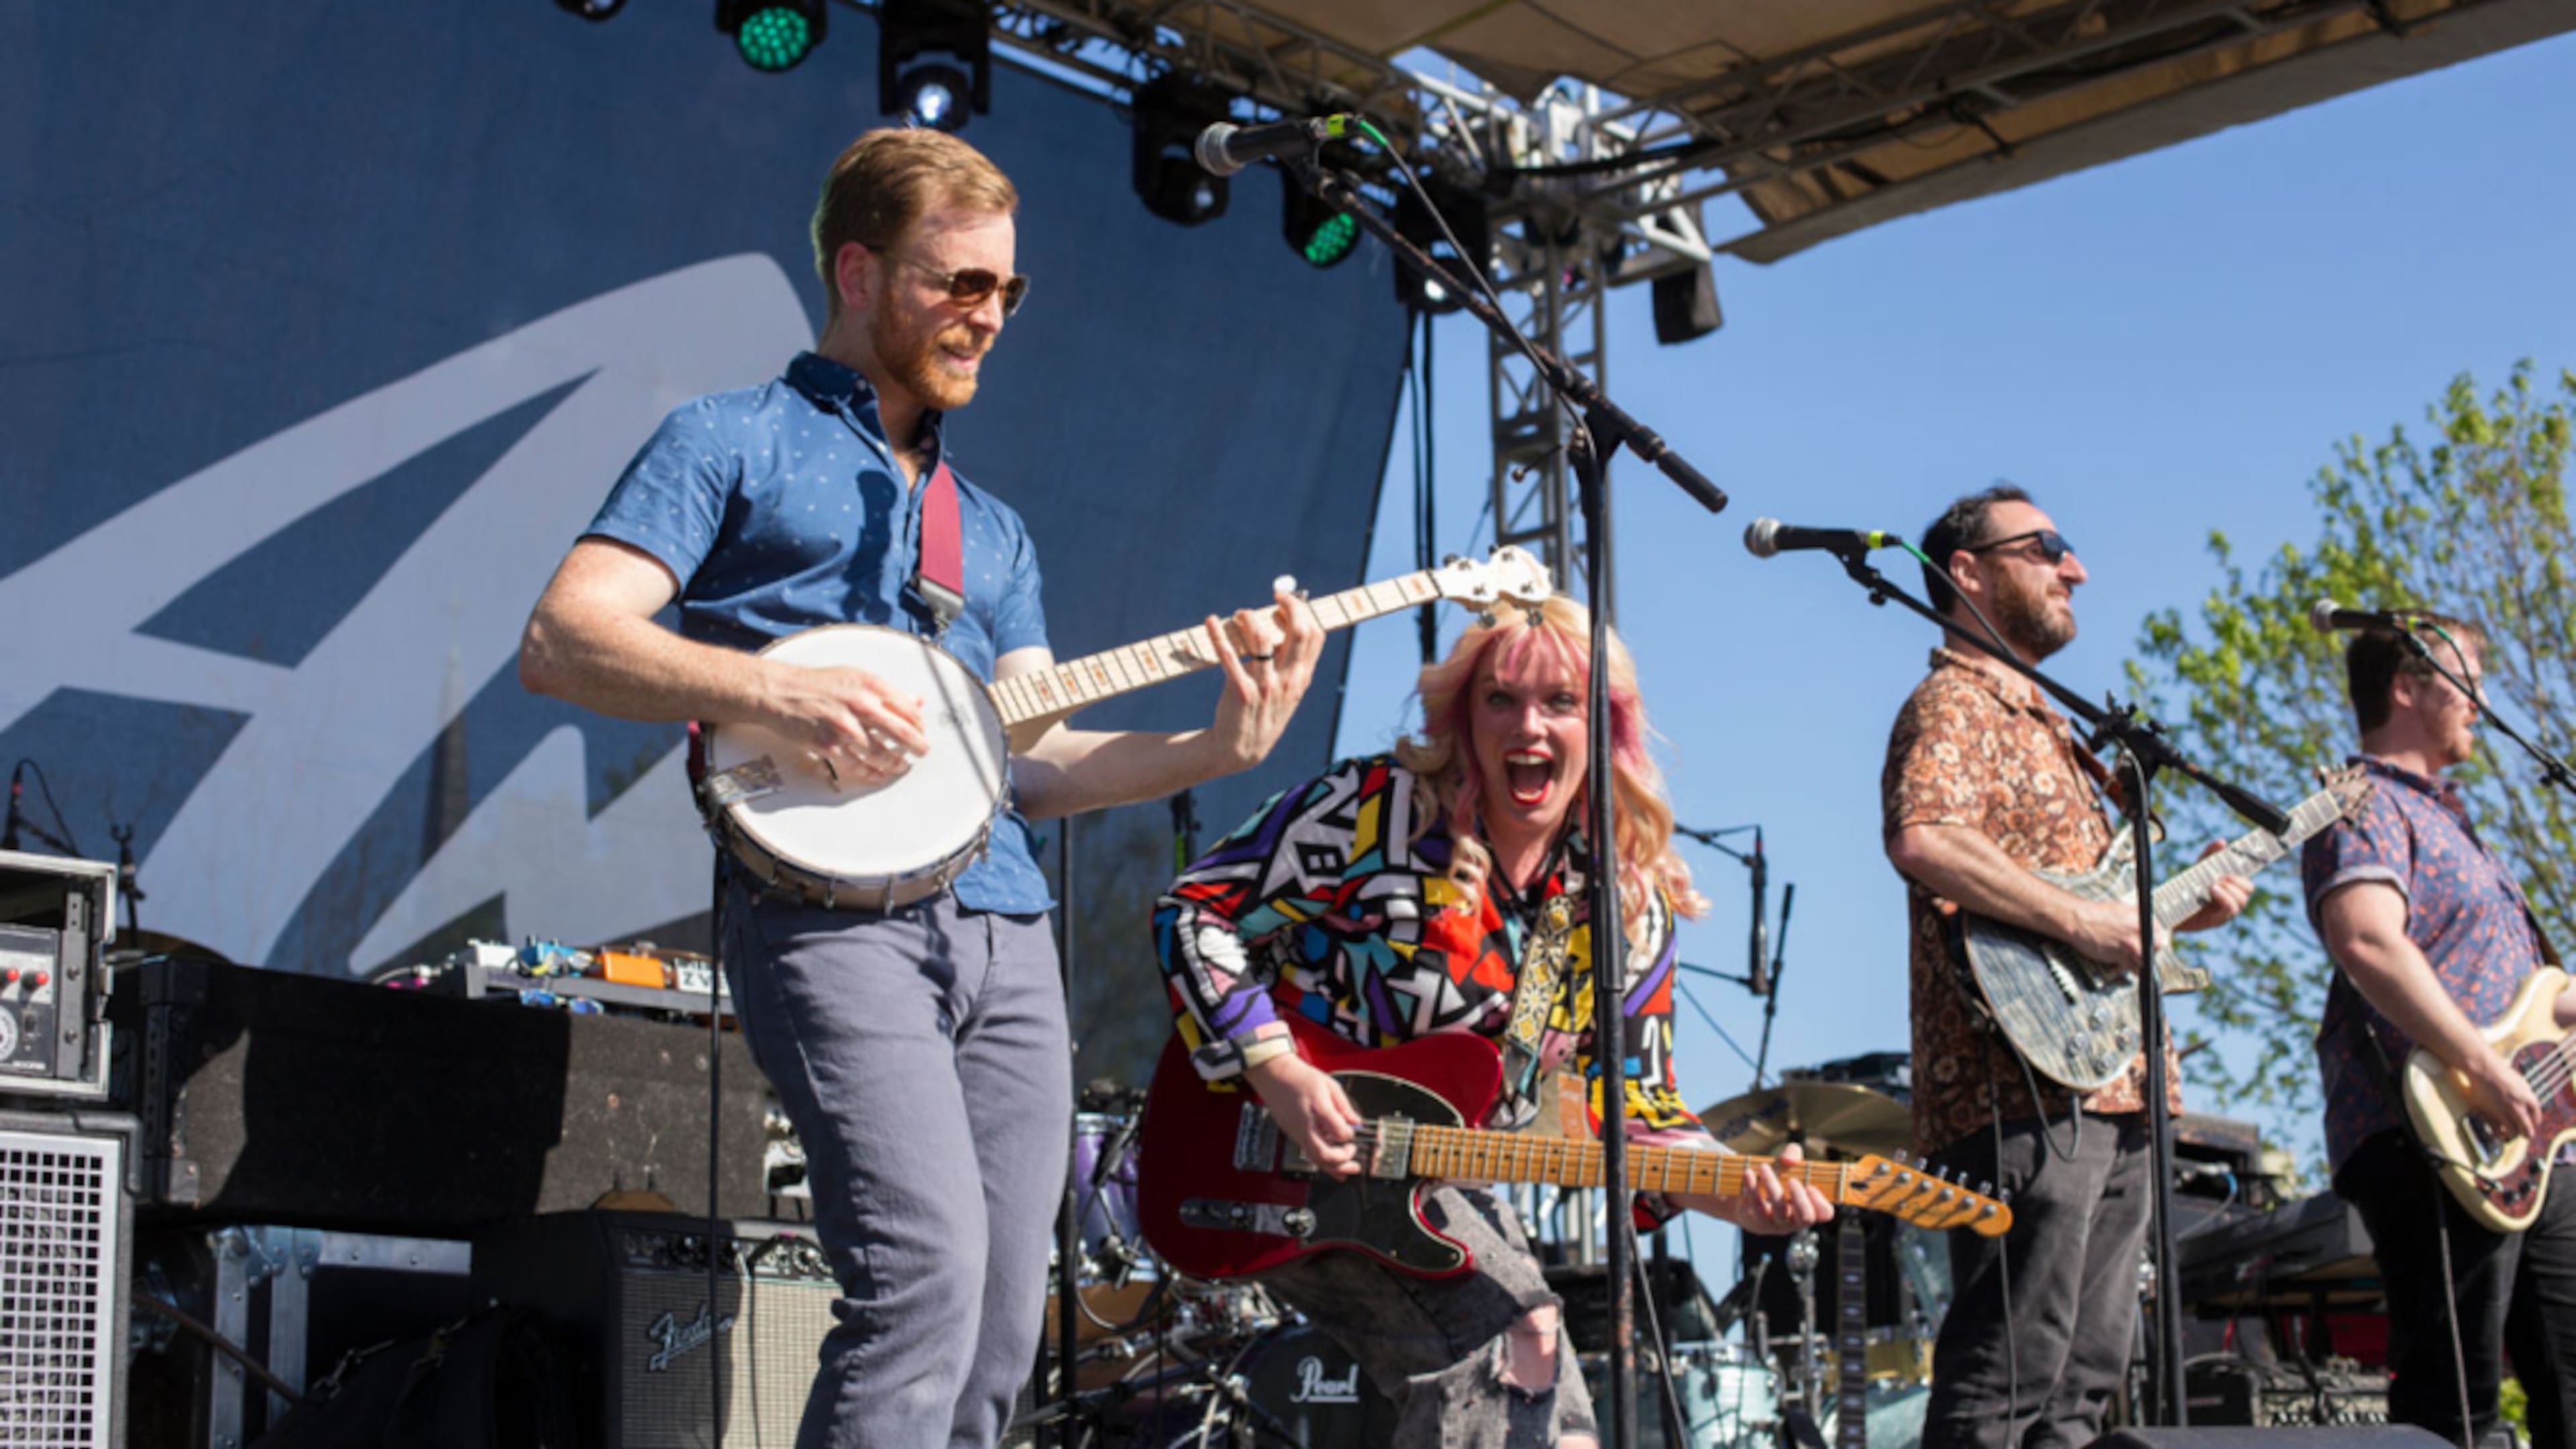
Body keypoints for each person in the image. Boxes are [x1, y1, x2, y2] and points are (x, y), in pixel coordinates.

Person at [517, 128, 1324, 1449]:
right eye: (957, 283)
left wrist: (1212, 750)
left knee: (1006, 1325)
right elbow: (565, 637)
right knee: (923, 1285)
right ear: (856, 269)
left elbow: (1036, 760)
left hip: (1008, 935)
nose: (988, 316)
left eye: (1006, 292)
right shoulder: (731, 441)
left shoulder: (991, 531)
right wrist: (771, 691)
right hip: (830, 927)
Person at [1153, 593, 1833, 1449]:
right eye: (1501, 700)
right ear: (1463, 717)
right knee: (1511, 1348)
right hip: (1265, 1164)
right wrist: (1276, 1068)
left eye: (1560, 703)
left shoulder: (1619, 905)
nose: (1530, 729)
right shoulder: (1376, 809)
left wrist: (1736, 1196)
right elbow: (1195, 911)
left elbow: (1634, 1108)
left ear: (1606, 726)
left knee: (1561, 1426)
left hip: (1435, 1186)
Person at [1880, 485, 2251, 1449]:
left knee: (2086, 1387)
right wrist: (2092, 926)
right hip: (2024, 1090)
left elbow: (2089, 910)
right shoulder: (1953, 703)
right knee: (2008, 1375)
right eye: (2046, 547)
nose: (2074, 568)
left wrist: (2171, 912)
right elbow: (1925, 839)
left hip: (2117, 1086)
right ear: (1966, 572)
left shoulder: (2059, 730)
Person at [2304, 615, 2576, 1446]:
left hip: (2536, 1140)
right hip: (2431, 1132)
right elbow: (2365, 938)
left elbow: (2541, 1001)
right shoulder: (2361, 804)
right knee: (2453, 1403)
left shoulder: (2459, 828)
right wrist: (2481, 1065)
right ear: (2406, 687)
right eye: (2469, 680)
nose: (2483, 702)